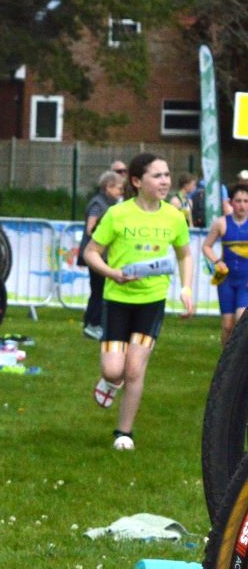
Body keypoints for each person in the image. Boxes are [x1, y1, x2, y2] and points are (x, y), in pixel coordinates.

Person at [82, 152, 194, 451]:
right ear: (136, 181)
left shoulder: (174, 216)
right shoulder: (118, 215)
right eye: (157, 175)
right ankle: (109, 382)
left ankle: (124, 433)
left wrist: (186, 290)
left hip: (152, 302)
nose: (165, 181)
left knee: (134, 369)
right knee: (113, 369)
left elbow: (184, 254)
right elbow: (90, 253)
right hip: (117, 300)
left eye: (167, 175)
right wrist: (112, 273)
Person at [80, 169, 124, 340]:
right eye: (118, 188)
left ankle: (92, 324)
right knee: (99, 291)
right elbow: (91, 228)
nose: (120, 192)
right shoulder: (98, 204)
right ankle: (93, 324)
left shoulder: (107, 204)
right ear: (108, 187)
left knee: (99, 291)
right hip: (97, 256)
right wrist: (105, 236)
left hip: (102, 256)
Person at [206, 183, 248, 344]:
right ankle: (226, 363)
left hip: (245, 281)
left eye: (246, 201)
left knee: (241, 318)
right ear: (231, 202)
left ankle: (240, 363)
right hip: (226, 281)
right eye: (238, 201)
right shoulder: (221, 223)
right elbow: (206, 246)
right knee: (227, 326)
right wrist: (217, 261)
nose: (242, 205)